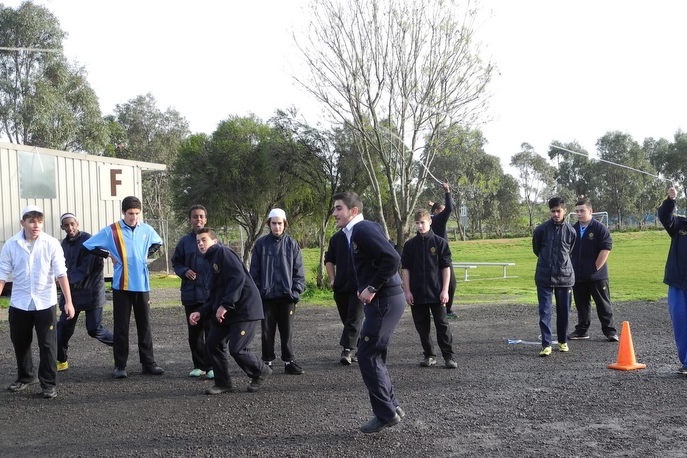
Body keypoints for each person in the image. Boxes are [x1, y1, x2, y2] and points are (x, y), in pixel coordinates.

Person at [332, 191, 405, 434]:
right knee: (374, 353)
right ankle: (391, 406)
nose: (334, 214)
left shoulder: (362, 229)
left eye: (339, 209)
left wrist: (372, 287)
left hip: (385, 299)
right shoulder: (358, 231)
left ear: (353, 211)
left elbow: (392, 258)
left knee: (366, 354)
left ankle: (386, 413)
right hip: (385, 299)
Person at [82, 196, 164, 379]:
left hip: (142, 285)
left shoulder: (146, 229)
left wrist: (147, 253)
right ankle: (120, 365)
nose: (133, 217)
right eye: (130, 213)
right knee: (121, 327)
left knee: (145, 326)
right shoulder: (112, 230)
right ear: (123, 213)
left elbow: (158, 243)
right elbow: (87, 245)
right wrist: (107, 254)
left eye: (136, 213)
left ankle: (149, 363)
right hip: (122, 286)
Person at [0, 206, 75, 399]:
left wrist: (69, 301)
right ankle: (26, 377)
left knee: (48, 345)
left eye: (39, 221)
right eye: (32, 221)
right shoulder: (10, 245)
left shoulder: (51, 243)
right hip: (19, 302)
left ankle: (48, 384)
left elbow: (61, 273)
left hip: (45, 302)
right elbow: (2, 275)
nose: (36, 225)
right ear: (22, 223)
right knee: (20, 342)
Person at [189, 228, 272, 394]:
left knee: (238, 348)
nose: (200, 244)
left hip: (244, 309)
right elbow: (215, 295)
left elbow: (238, 278)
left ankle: (261, 371)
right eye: (198, 241)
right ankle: (223, 383)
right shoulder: (210, 261)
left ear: (215, 241)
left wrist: (225, 305)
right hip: (229, 311)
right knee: (213, 343)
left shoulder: (222, 253)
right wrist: (201, 312)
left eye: (204, 240)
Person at [250, 208, 306, 375]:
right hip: (266, 297)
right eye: (273, 223)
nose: (276, 227)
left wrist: (295, 292)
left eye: (279, 223)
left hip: (287, 297)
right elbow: (254, 272)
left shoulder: (292, 244)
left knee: (287, 330)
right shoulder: (260, 244)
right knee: (267, 330)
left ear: (285, 224)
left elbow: (299, 272)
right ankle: (267, 361)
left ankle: (289, 362)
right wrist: (258, 292)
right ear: (269, 224)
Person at [56, 212, 114, 372]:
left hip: (92, 293)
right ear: (62, 227)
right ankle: (61, 361)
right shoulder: (63, 245)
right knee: (63, 329)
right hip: (72, 295)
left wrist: (62, 281)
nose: (70, 227)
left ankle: (119, 346)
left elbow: (85, 269)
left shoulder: (89, 241)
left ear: (77, 223)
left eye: (72, 224)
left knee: (94, 329)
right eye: (66, 225)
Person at [401, 210, 458, 369]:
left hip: (437, 292)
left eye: (423, 223)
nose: (420, 226)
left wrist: (445, 290)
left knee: (442, 325)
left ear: (430, 222)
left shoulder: (440, 243)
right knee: (422, 326)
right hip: (417, 293)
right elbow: (405, 270)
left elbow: (446, 268)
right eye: (417, 223)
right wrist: (407, 291)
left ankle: (449, 357)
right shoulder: (409, 245)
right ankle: (429, 355)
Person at [568, 198, 618, 342]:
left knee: (603, 304)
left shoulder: (599, 228)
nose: (579, 214)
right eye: (577, 211)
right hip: (578, 275)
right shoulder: (573, 229)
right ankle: (582, 330)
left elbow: (606, 249)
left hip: (597, 276)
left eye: (582, 211)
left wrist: (595, 268)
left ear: (590, 211)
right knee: (582, 305)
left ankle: (610, 331)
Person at [172, 204, 213, 378]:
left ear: (206, 219)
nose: (198, 219)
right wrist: (184, 271)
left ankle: (213, 367)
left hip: (210, 295)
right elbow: (176, 262)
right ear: (190, 220)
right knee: (194, 333)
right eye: (195, 216)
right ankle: (200, 365)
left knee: (212, 332)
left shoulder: (212, 240)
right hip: (191, 295)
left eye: (201, 216)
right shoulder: (184, 242)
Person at [532, 196, 576, 357]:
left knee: (564, 311)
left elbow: (570, 250)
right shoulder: (541, 230)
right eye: (553, 211)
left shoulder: (571, 231)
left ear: (564, 211)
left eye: (558, 211)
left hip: (565, 277)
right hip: (544, 276)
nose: (556, 214)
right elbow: (537, 250)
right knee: (545, 311)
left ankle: (563, 341)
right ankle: (546, 344)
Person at [658, 186, 687, 375]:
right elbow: (664, 216)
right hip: (678, 282)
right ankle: (686, 362)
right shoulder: (680, 225)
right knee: (680, 320)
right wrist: (670, 200)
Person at [325, 226, 363, 365]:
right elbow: (329, 260)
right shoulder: (336, 238)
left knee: (354, 317)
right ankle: (363, 347)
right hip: (341, 286)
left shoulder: (363, 235)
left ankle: (347, 350)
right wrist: (332, 279)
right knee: (347, 319)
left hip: (359, 286)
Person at [429, 182, 458, 319]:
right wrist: (447, 191)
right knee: (450, 283)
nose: (444, 212)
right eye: (441, 210)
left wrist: (433, 205)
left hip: (435, 255)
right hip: (440, 256)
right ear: (436, 212)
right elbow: (449, 209)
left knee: (441, 283)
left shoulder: (431, 219)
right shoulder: (439, 219)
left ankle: (443, 310)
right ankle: (447, 310)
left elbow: (441, 210)